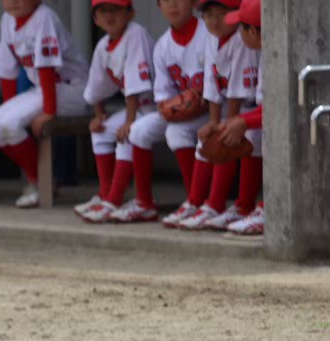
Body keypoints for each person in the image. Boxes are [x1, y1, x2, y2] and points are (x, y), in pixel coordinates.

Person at [0, 0, 92, 209]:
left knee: (10, 124)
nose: (14, 2)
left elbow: (47, 67)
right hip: (45, 90)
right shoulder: (7, 20)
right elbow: (7, 72)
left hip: (74, 90)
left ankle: (38, 182)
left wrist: (49, 112)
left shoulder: (44, 17)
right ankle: (41, 179)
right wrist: (10, 107)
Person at [123, 0, 208, 226]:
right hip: (185, 112)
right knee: (139, 130)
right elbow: (163, 100)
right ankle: (144, 203)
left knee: (176, 133)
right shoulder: (162, 46)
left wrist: (193, 101)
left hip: (214, 109)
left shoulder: (208, 34)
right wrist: (175, 107)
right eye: (165, 0)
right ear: (158, 6)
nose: (172, 4)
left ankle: (196, 201)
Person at [75, 0, 156, 223]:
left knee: (127, 133)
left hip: (157, 107)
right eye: (103, 11)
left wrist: (128, 121)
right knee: (101, 130)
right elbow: (96, 87)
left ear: (130, 14)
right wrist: (98, 115)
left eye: (116, 10)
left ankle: (114, 198)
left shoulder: (135, 34)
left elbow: (134, 85)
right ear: (95, 19)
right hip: (139, 109)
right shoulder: (103, 45)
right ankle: (106, 194)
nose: (110, 16)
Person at [176, 0, 247, 230]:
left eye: (221, 14)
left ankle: (225, 205)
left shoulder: (242, 38)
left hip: (250, 106)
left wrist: (226, 123)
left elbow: (237, 89)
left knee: (226, 137)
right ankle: (198, 202)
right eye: (209, 15)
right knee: (207, 137)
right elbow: (211, 84)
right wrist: (214, 121)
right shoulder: (211, 38)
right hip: (230, 107)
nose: (215, 20)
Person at [214, 0, 263, 236]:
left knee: (255, 132)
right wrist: (235, 122)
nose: (238, 33)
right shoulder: (265, 52)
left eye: (241, 27)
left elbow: (282, 110)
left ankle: (268, 208)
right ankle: (245, 205)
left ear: (253, 31)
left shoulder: (275, 56)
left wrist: (243, 121)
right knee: (250, 129)